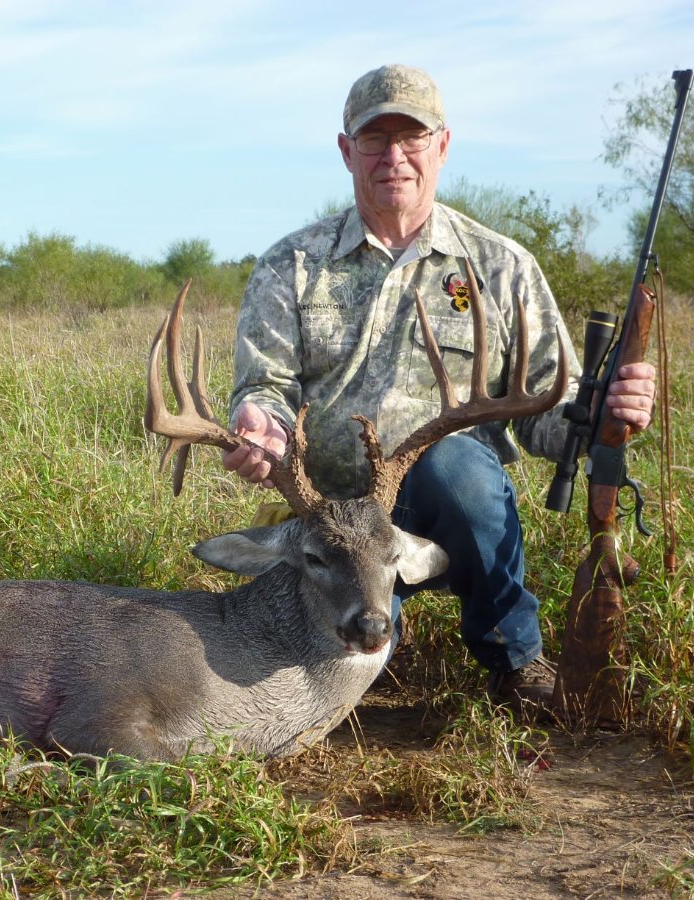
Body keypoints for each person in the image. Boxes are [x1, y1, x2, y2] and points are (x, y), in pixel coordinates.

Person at [220, 65, 656, 710]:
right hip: (332, 520)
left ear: (442, 146)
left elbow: (549, 411)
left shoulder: (500, 267)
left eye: (412, 138)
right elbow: (265, 383)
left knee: (459, 469)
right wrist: (263, 425)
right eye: (375, 139)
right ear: (347, 151)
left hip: (452, 507)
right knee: (296, 692)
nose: (393, 157)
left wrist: (604, 415)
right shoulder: (292, 265)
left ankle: (513, 660)